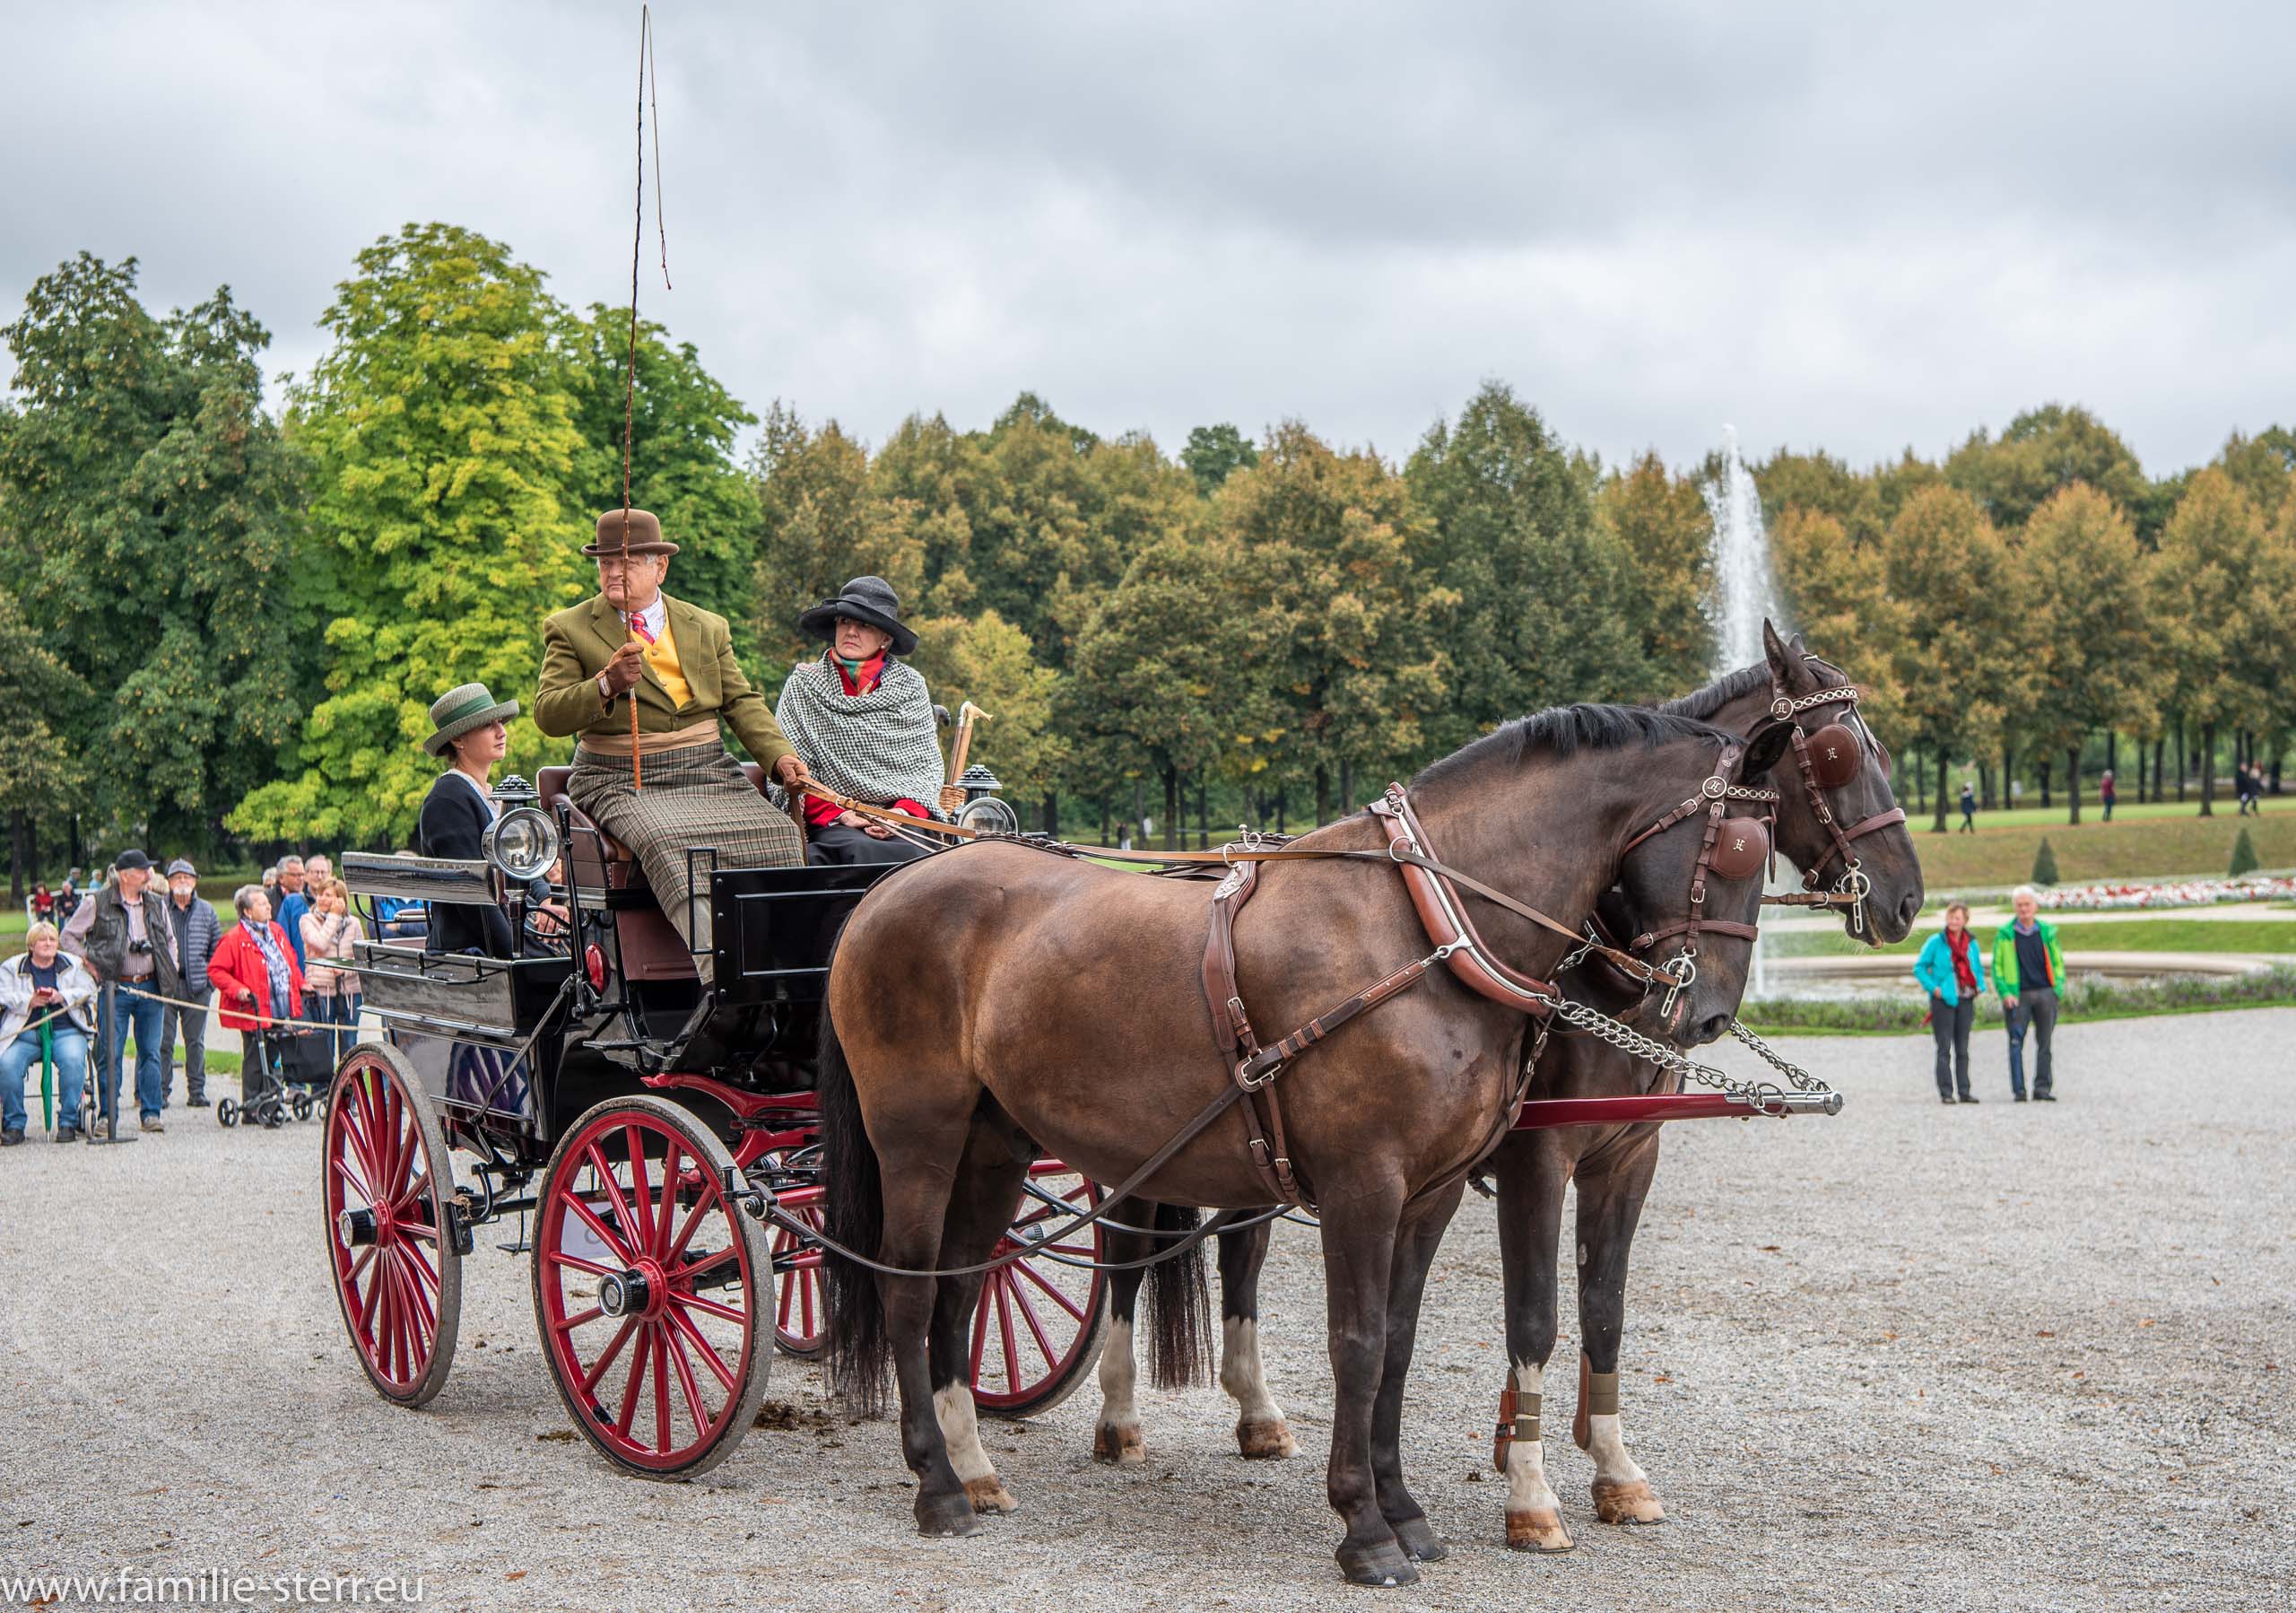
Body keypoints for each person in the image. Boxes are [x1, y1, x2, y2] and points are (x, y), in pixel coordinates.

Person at [533, 509, 812, 976]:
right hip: (620, 776)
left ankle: (791, 969)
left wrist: (780, 757)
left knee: (780, 831)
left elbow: (742, 702)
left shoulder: (706, 625)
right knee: (669, 841)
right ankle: (721, 977)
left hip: (709, 769)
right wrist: (605, 684)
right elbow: (548, 712)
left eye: (628, 561)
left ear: (660, 567)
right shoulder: (570, 627)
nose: (614, 572)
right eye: (605, 562)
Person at [776, 577, 941, 867]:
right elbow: (788, 771)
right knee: (858, 854)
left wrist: (900, 814)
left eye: (864, 625)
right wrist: (843, 814)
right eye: (844, 622)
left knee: (923, 862)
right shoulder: (804, 685)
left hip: (901, 820)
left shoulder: (911, 686)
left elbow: (927, 769)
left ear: (886, 639)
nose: (851, 631)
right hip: (833, 821)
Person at [61, 850, 186, 1136]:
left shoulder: (155, 902)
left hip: (151, 985)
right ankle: (108, 1115)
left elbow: (169, 938)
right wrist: (89, 961)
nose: (149, 875)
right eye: (144, 870)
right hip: (114, 986)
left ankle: (151, 1112)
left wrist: (171, 964)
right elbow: (68, 936)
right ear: (126, 875)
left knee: (151, 1052)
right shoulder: (97, 902)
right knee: (109, 1052)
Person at [417, 684, 526, 958]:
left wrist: (549, 900)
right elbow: (473, 900)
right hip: (469, 950)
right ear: (458, 740)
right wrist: (517, 952)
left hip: (509, 933)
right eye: (488, 726)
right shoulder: (447, 800)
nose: (502, 732)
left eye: (500, 722)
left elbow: (520, 864)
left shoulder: (494, 794)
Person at [209, 885, 307, 1120]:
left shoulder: (275, 931)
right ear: (248, 912)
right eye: (262, 904)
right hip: (254, 1008)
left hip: (280, 1006)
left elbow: (290, 962)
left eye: (267, 902)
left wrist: (301, 983)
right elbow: (216, 970)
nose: (269, 906)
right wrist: (237, 989)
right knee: (255, 1057)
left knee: (275, 1053)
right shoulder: (235, 938)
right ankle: (253, 1106)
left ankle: (271, 1098)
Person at [0, 922, 97, 1144]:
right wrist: (29, 1001)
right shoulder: (11, 967)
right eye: (42, 940)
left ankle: (68, 1121)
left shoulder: (73, 964)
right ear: (31, 945)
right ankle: (14, 1123)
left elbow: (90, 990)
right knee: (7, 1064)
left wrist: (63, 995)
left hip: (66, 1030)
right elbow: (2, 994)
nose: (48, 944)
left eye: (52, 939)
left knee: (73, 1060)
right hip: (25, 1033)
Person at [158, 859, 223, 1110]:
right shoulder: (159, 907)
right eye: (177, 877)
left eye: (187, 877)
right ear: (169, 882)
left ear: (195, 881)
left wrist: (208, 982)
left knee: (195, 1041)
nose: (182, 881)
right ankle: (161, 1092)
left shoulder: (207, 910)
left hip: (197, 986)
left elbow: (217, 948)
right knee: (164, 1041)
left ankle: (197, 1090)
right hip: (167, 987)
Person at [1991, 885, 2066, 1103]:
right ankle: (2019, 1090)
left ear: (2035, 906)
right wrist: (2005, 993)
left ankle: (2042, 1087)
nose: (2023, 909)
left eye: (2027, 905)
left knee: (2045, 1043)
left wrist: (2057, 989)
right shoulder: (2005, 935)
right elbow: (1997, 968)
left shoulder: (2046, 932)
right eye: (2019, 905)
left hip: (2045, 992)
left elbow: (2058, 962)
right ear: (2015, 908)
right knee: (2016, 1043)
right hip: (2018, 995)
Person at [1913, 902, 1989, 1104]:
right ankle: (1946, 1092)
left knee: (1963, 1049)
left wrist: (1980, 985)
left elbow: (1978, 969)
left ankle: (1964, 1091)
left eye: (1957, 918)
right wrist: (1934, 988)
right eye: (1950, 917)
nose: (1953, 921)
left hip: (1966, 999)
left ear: (1965, 920)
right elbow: (1920, 968)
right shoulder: (1936, 942)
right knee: (1944, 1048)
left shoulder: (1972, 943)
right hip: (1943, 1001)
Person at [300, 877, 363, 1067]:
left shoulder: (354, 923)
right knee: (325, 1043)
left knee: (350, 1043)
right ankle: (324, 1089)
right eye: (320, 894)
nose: (322, 899)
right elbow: (319, 943)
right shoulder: (307, 920)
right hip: (322, 989)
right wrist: (334, 917)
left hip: (350, 991)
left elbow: (360, 959)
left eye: (328, 895)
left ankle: (349, 1091)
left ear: (340, 899)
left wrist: (345, 970)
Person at [274, 855, 312, 970]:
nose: (301, 879)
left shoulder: (310, 897)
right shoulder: (268, 900)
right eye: (295, 875)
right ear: (281, 878)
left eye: (302, 874)